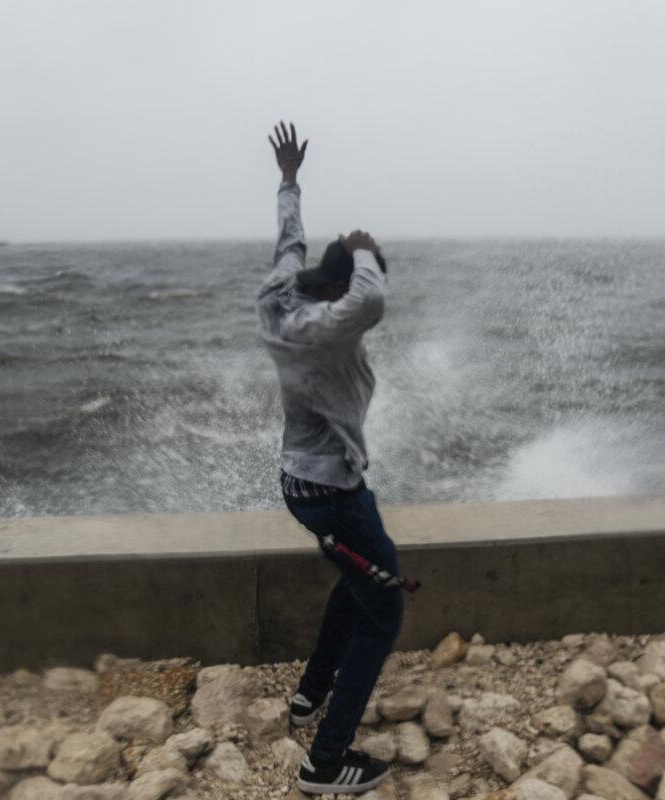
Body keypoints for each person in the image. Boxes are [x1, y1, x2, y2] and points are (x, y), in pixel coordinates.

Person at [257, 121, 404, 795]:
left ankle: (311, 693)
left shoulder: (281, 295)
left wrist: (290, 182)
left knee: (358, 581)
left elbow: (289, 242)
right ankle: (326, 762)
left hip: (302, 484)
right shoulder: (326, 331)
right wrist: (364, 248)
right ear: (337, 293)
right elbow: (369, 296)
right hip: (336, 494)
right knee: (385, 608)